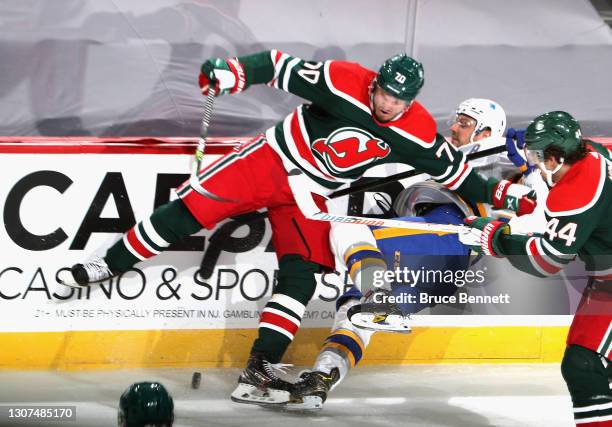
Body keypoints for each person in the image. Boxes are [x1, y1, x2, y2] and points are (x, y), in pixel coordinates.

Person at [58, 51, 534, 407]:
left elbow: (460, 175)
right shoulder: (344, 79)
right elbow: (278, 65)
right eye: (385, 94)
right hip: (273, 161)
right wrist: (234, 72)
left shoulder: (418, 131)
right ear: (375, 85)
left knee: (301, 272)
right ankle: (108, 262)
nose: (389, 104)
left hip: (313, 195)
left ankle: (259, 370)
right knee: (192, 209)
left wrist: (505, 197)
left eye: (400, 99)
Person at [287, 97, 545, 409]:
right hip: (442, 271)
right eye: (456, 119)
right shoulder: (464, 160)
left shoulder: (499, 161)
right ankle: (322, 377)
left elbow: (532, 197)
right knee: (355, 313)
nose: (453, 126)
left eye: (464, 123)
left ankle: (376, 292)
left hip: (442, 238)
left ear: (487, 133)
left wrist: (526, 154)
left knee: (348, 229)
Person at [462, 111, 612, 426]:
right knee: (586, 362)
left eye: (536, 155)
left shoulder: (577, 193)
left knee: (585, 364)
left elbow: (548, 259)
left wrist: (496, 240)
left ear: (555, 157)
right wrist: (514, 203)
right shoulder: (591, 153)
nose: (533, 162)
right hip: (605, 281)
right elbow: (557, 211)